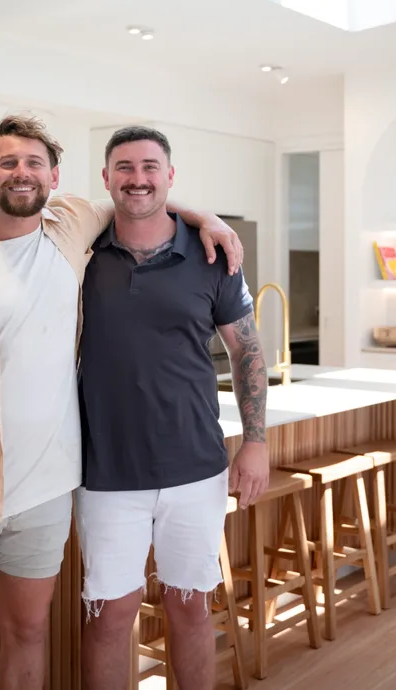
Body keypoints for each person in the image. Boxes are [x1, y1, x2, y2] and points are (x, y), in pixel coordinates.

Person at [0, 114, 244, 690]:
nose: (21, 174)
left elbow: (145, 198)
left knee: (28, 632)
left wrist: (207, 218)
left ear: (54, 178)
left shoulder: (71, 226)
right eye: (7, 163)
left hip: (48, 488)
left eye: (33, 164)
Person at [75, 125, 270, 690]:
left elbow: (247, 349)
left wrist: (255, 442)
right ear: (107, 177)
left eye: (150, 167)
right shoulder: (79, 252)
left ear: (170, 175)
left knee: (190, 607)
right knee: (111, 615)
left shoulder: (212, 256)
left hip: (196, 467)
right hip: (105, 471)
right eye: (126, 168)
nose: (138, 179)